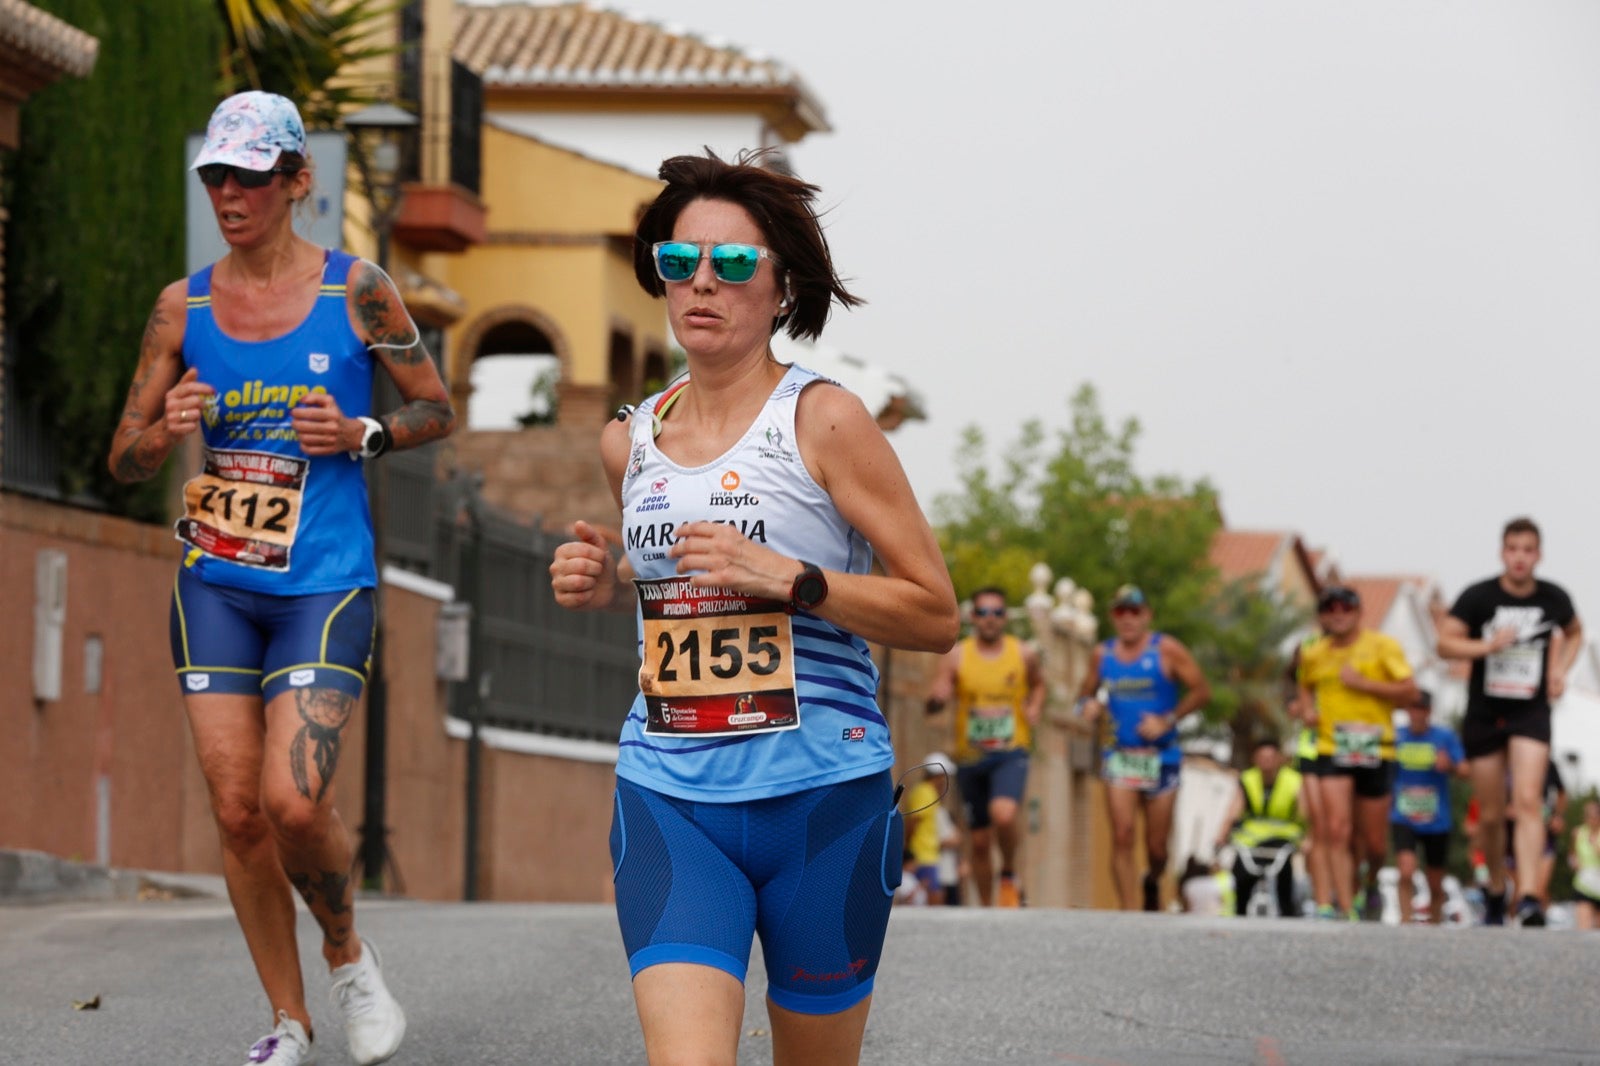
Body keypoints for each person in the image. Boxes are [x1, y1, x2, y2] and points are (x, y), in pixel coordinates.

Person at [548, 149, 958, 1066]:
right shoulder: (630, 441)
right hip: (671, 796)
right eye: (678, 262)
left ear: (778, 289)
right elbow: (677, 601)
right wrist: (609, 580)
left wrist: (797, 580)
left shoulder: (826, 421)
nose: (703, 283)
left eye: (732, 265)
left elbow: (936, 613)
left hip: (822, 800)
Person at [106, 92, 454, 1066]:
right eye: (217, 175)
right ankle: (289, 1018)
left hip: (324, 582)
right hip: (215, 583)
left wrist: (362, 433)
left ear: (298, 181)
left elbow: (435, 407)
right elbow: (121, 458)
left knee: (294, 801)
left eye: (252, 176)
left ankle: (347, 957)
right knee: (237, 808)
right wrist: (163, 426)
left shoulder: (360, 292)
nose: (231, 193)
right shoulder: (185, 306)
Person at [1437, 517, 1584, 927]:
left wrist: (1560, 670)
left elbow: (1575, 633)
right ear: (1503, 552)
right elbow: (1444, 642)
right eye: (1513, 549)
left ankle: (1531, 895)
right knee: (1490, 813)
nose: (1520, 558)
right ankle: (1498, 888)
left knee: (1527, 801)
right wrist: (1486, 645)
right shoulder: (1479, 596)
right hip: (1485, 712)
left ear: (1539, 555)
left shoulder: (1554, 598)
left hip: (1530, 711)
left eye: (1528, 550)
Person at [1077, 585, 1211, 911]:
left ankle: (1153, 877)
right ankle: (1129, 913)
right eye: (1121, 612)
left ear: (1147, 615)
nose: (1128, 619)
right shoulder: (1102, 655)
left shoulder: (1166, 650)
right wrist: (1088, 706)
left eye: (1134, 612)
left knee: (1156, 846)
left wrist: (1167, 719)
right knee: (1122, 835)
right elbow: (1083, 694)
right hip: (1120, 756)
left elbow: (1201, 691)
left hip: (1161, 757)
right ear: (1113, 617)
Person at [1297, 584, 1418, 920]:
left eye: (1345, 608)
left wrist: (1364, 684)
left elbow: (1410, 691)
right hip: (1331, 747)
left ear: (1359, 612)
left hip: (1376, 749)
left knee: (1375, 843)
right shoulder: (1313, 651)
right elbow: (1304, 685)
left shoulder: (1382, 646)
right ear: (1322, 615)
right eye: (1329, 609)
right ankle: (1344, 908)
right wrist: (1307, 710)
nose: (1338, 615)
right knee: (1337, 829)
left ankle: (1371, 879)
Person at [925, 587, 1045, 907]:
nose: (990, 620)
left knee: (1003, 815)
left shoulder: (1022, 654)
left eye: (996, 613)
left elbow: (1039, 684)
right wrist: (937, 699)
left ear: (1005, 617)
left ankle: (1007, 873)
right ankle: (988, 909)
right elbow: (941, 689)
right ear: (972, 617)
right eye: (983, 613)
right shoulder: (958, 655)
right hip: (970, 756)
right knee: (978, 841)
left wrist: (1034, 706)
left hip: (1011, 751)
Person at [1390, 691, 1466, 924]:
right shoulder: (1395, 737)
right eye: (1411, 708)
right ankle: (1405, 922)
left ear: (1428, 711)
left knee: (1435, 882)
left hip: (1436, 820)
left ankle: (1434, 927)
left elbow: (1466, 770)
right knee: (1405, 871)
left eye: (1420, 709)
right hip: (1403, 816)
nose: (1415, 714)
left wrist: (1450, 765)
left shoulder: (1444, 737)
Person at [1216, 738, 1305, 918]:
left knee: (1284, 875)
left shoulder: (1293, 780)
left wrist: (1307, 837)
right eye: (1262, 757)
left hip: (1282, 839)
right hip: (1250, 838)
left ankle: (1287, 914)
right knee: (1241, 873)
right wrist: (1222, 835)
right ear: (1255, 758)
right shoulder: (1248, 779)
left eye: (1270, 757)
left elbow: (1304, 813)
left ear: (1279, 758)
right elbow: (1234, 809)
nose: (1266, 762)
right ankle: (1240, 912)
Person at [900, 754, 949, 906]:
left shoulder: (926, 791)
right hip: (922, 853)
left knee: (931, 894)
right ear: (938, 775)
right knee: (932, 895)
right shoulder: (925, 792)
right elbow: (913, 821)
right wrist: (907, 849)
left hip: (926, 852)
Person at [1570, 798, 1600, 931]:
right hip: (1584, 884)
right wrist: (1574, 862)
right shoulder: (1578, 833)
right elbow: (1572, 853)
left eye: (1595, 814)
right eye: (1589, 815)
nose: (1592, 818)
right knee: (1584, 929)